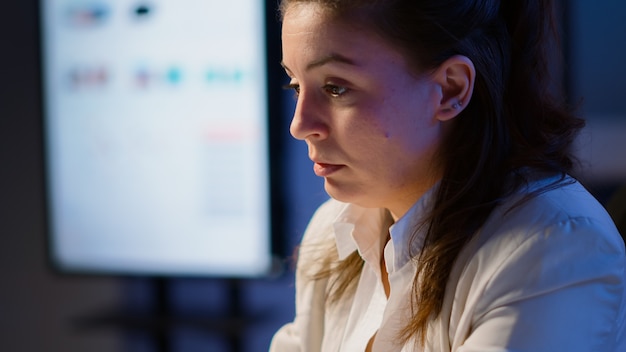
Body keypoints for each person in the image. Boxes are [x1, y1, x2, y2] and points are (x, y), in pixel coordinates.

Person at [271, 0, 626, 351]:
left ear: (450, 89)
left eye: (336, 88)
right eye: (296, 86)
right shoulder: (333, 233)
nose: (299, 125)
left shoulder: (557, 250)